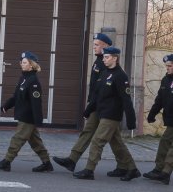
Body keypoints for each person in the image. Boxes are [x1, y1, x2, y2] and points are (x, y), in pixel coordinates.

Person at [52, 33, 128, 177]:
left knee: (107, 138)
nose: (94, 47)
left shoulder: (105, 63)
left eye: (97, 44)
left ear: (106, 46)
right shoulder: (98, 61)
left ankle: (125, 166)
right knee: (106, 136)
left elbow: (102, 89)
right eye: (94, 45)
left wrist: (90, 107)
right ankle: (72, 159)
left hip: (102, 106)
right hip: (97, 104)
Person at [73, 46, 140, 181]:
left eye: (107, 57)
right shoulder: (105, 73)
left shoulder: (121, 76)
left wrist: (131, 121)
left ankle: (89, 170)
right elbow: (97, 96)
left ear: (115, 58)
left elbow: (126, 100)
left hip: (111, 115)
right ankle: (131, 169)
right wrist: (87, 111)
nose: (104, 59)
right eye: (103, 57)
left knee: (97, 141)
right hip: (101, 112)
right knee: (117, 143)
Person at [0, 52, 52, 173]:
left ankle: (6, 162)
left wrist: (38, 120)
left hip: (28, 116)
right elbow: (17, 96)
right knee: (35, 141)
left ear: (31, 65)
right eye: (21, 62)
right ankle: (47, 163)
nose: (21, 65)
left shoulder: (33, 81)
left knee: (17, 139)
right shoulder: (24, 78)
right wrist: (7, 105)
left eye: (24, 63)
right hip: (23, 114)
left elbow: (36, 103)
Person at [143, 53, 173, 183]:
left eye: (170, 66)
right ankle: (159, 169)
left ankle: (165, 172)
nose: (167, 68)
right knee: (164, 142)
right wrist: (152, 114)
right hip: (171, 119)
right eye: (166, 66)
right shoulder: (166, 80)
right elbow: (160, 99)